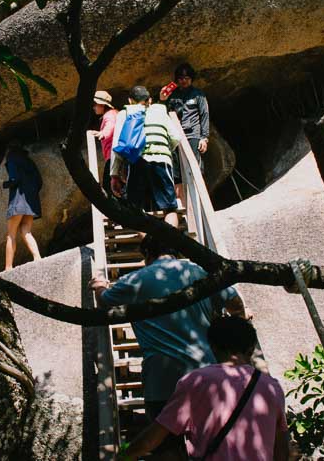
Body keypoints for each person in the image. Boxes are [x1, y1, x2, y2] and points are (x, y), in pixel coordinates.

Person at [89, 235, 248, 459]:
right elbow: (234, 303)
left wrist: (100, 287)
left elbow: (105, 301)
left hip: (162, 379)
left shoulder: (136, 280)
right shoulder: (199, 272)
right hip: (206, 372)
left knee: (166, 449)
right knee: (214, 443)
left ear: (147, 255)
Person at [121, 316, 289, 461]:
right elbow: (281, 449)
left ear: (213, 346)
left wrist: (124, 456)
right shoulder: (272, 387)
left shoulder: (196, 382)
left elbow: (152, 439)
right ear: (251, 349)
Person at [110, 85, 183, 228]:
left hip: (137, 161)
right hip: (162, 160)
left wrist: (114, 174)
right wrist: (165, 151)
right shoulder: (160, 111)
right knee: (170, 208)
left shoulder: (125, 114)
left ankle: (148, 244)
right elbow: (175, 137)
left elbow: (117, 146)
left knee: (134, 209)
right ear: (149, 100)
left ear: (130, 100)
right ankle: (169, 245)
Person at [161, 63, 210, 207]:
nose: (184, 81)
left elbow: (205, 114)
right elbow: (163, 113)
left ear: (192, 79)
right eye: (181, 78)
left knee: (195, 167)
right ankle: (182, 204)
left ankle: (201, 203)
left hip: (193, 135)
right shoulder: (173, 95)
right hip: (176, 136)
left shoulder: (198, 94)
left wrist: (204, 137)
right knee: (176, 171)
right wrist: (162, 99)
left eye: (187, 78)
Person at [3, 142, 42, 271]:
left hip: (18, 201)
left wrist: (5, 184)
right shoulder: (29, 161)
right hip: (31, 201)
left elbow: (14, 179)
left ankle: (8, 267)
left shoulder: (11, 158)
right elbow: (39, 181)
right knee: (26, 230)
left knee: (11, 234)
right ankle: (37, 258)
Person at [93, 90, 118, 192]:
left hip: (113, 156)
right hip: (117, 155)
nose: (93, 107)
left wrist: (103, 134)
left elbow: (110, 126)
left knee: (108, 188)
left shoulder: (110, 115)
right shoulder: (116, 113)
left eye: (95, 104)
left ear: (102, 105)